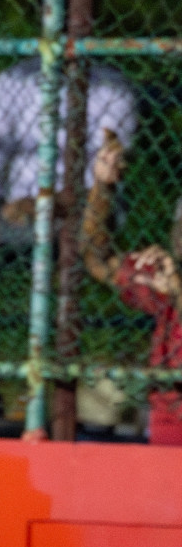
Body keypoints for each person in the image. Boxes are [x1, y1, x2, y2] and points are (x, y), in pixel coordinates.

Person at [0, 56, 137, 358]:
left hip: (86, 210)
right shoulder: (15, 78)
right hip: (14, 212)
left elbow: (107, 177)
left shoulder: (112, 87)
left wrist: (45, 204)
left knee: (46, 234)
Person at [78, 130, 182, 445]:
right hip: (170, 420)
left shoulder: (172, 282)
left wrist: (177, 290)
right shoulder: (165, 274)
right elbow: (98, 260)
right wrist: (103, 187)